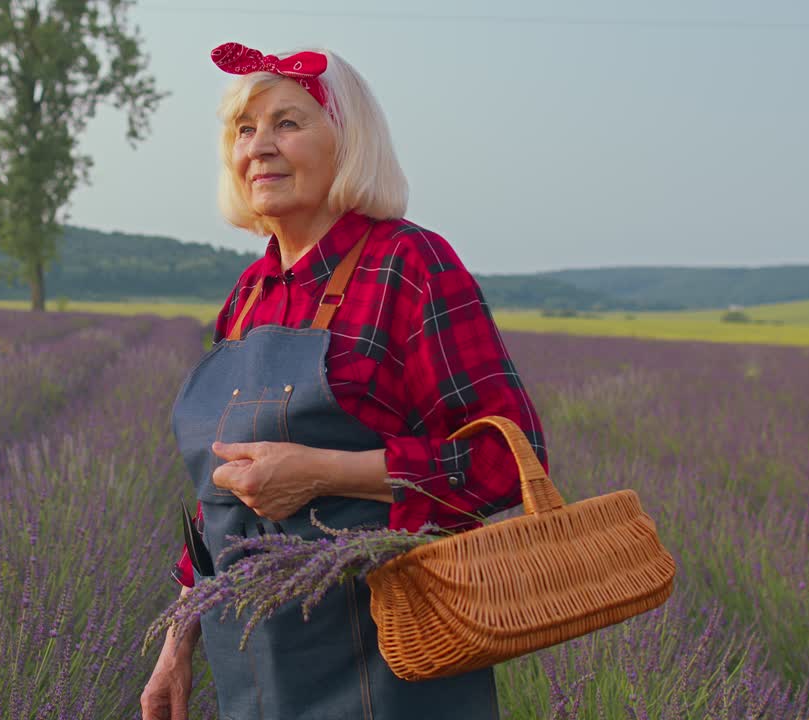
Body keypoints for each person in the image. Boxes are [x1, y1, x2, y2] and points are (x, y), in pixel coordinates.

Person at [140, 42, 550, 720]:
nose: (260, 147)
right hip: (259, 676)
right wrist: (176, 643)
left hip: (393, 667)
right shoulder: (249, 296)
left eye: (288, 123)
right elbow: (218, 505)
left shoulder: (408, 264)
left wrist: (324, 471)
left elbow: (506, 461)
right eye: (245, 129)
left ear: (348, 143)